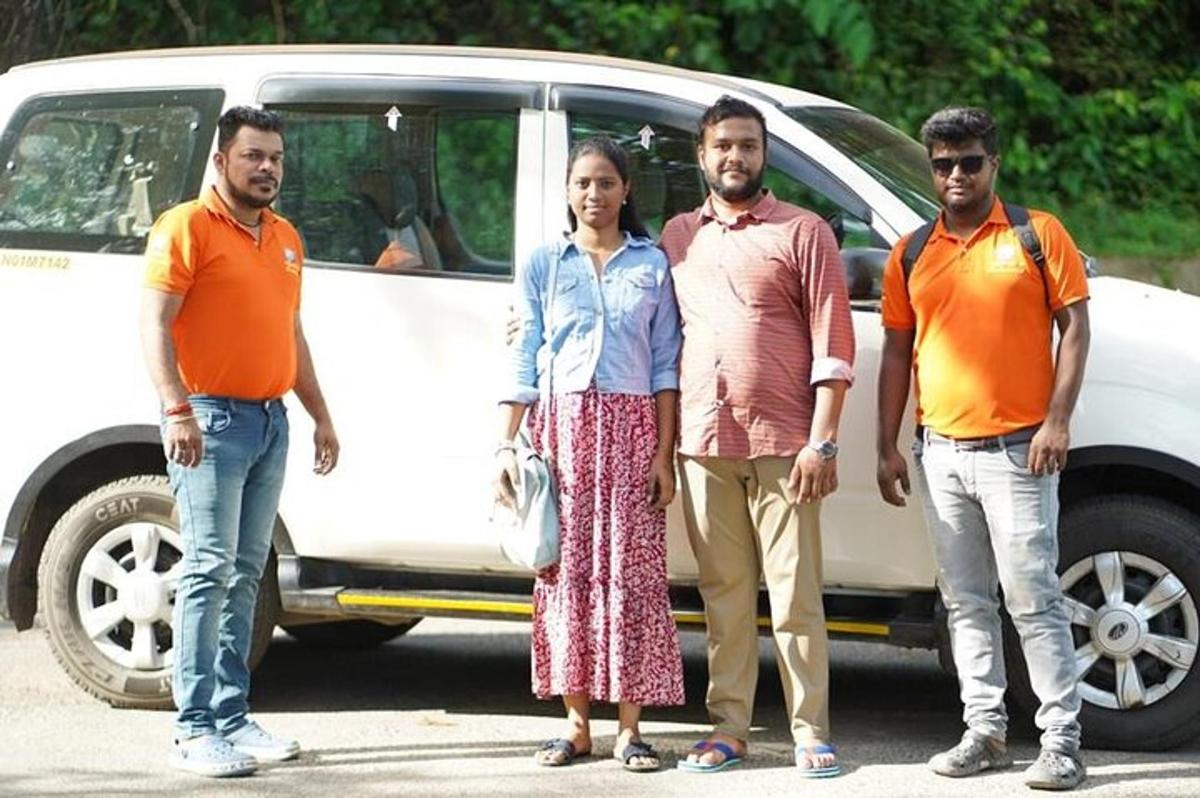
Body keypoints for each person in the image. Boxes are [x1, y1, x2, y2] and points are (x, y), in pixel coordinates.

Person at [876, 106, 1090, 791]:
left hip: (1019, 452)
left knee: (1033, 600)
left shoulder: (1036, 234)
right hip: (939, 454)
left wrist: (1057, 422)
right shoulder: (912, 251)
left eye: (970, 161)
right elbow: (896, 351)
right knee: (965, 601)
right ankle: (985, 731)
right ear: (931, 170)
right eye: (943, 164)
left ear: (993, 163)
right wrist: (887, 444)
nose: (957, 175)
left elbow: (1076, 329)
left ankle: (1061, 741)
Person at [140, 106, 339, 778]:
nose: (267, 169)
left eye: (276, 158)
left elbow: (292, 333)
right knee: (207, 570)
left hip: (269, 421)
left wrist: (320, 414)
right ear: (222, 160)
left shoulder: (284, 236)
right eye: (254, 156)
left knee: (246, 574)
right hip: (208, 421)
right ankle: (193, 729)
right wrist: (175, 409)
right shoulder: (186, 227)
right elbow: (155, 325)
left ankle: (231, 716)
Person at [660, 96, 855, 776]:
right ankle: (728, 729)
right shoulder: (679, 236)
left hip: (785, 444)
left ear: (763, 153)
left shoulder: (805, 232)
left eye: (746, 145)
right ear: (702, 155)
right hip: (701, 444)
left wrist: (822, 441)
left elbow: (835, 346)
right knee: (725, 599)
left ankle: (809, 732)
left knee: (795, 597)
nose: (734, 157)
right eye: (722, 146)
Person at [496, 136, 684, 773]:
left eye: (606, 183)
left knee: (632, 578)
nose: (594, 195)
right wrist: (504, 442)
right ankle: (575, 724)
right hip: (562, 434)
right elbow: (524, 356)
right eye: (582, 183)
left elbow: (665, 367)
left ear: (626, 190)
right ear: (568, 191)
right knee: (565, 574)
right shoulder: (547, 263)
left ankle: (631, 727)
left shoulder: (652, 265)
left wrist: (664, 453)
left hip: (632, 433)